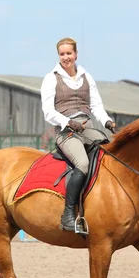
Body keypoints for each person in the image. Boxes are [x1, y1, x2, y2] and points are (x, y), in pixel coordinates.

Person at [40, 37, 117, 232]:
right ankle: (68, 215)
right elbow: (48, 111)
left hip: (87, 127)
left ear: (76, 54)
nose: (66, 57)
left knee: (111, 154)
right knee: (82, 164)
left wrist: (107, 121)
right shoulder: (51, 78)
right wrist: (69, 122)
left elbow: (97, 106)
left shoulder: (86, 76)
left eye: (69, 53)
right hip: (66, 132)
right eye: (62, 54)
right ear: (59, 56)